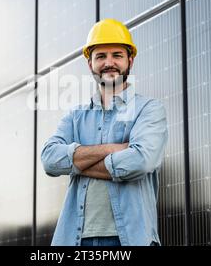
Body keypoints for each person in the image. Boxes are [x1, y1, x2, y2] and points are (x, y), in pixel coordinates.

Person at [41, 18, 168, 246]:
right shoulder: (75, 116)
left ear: (130, 60)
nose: (109, 63)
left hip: (130, 240)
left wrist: (78, 163)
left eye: (117, 55)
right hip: (74, 240)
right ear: (90, 64)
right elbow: (49, 160)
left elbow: (140, 161)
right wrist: (115, 149)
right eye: (101, 56)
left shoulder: (149, 109)